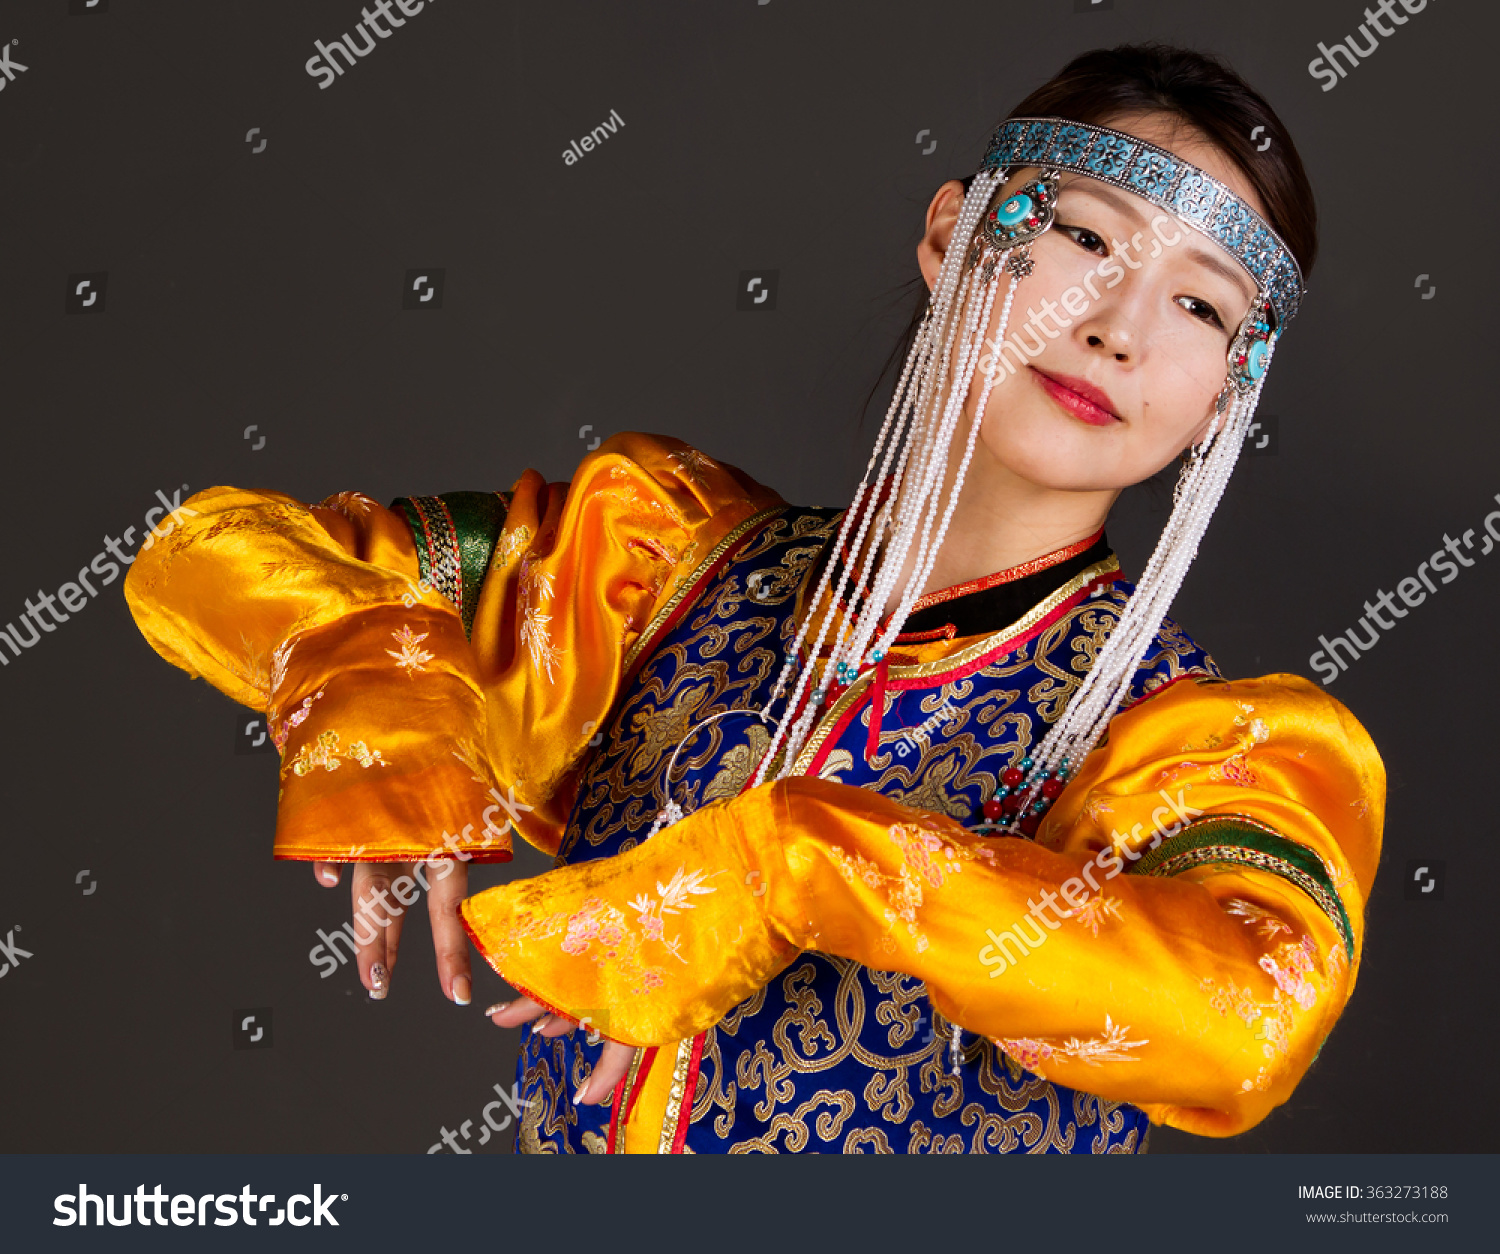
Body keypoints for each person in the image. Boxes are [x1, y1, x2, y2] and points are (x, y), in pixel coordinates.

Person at [125, 44, 1383, 1154]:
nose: (1117, 326)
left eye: (1201, 305)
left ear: (1225, 393)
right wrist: (372, 680)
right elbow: (208, 549)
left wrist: (795, 861)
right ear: (954, 234)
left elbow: (1244, 1015)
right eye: (1092, 239)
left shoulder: (1192, 748)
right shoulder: (662, 563)